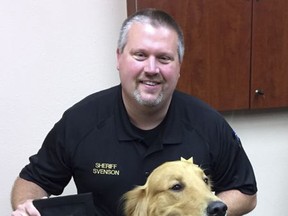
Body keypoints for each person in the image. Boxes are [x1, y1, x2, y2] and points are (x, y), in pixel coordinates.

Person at [11, 8, 257, 216]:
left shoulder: (208, 123)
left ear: (179, 66)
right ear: (119, 58)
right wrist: (26, 208)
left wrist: (204, 210)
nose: (151, 69)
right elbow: (32, 181)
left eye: (164, 58)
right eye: (140, 55)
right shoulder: (80, 121)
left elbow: (246, 192)